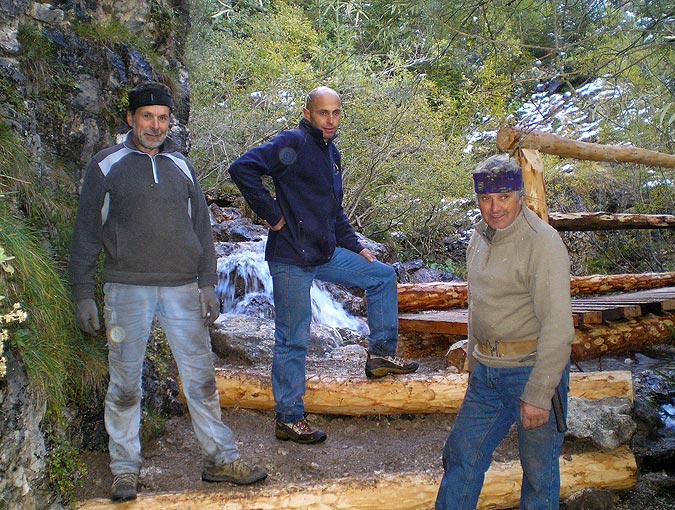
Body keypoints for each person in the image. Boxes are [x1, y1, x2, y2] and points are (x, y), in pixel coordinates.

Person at [69, 82, 267, 501]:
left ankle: (220, 459)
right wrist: (83, 292)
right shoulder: (106, 166)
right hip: (127, 290)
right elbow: (85, 233)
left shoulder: (182, 166)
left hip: (182, 289)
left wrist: (208, 284)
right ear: (131, 119)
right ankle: (125, 470)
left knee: (201, 379)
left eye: (162, 118)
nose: (155, 126)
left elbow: (201, 231)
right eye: (147, 117)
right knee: (125, 384)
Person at [228, 86, 418, 444]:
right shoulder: (294, 142)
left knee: (381, 276)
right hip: (290, 258)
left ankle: (380, 356)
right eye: (322, 113)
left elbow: (334, 210)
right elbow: (242, 169)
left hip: (324, 252)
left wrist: (355, 245)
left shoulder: (332, 153)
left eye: (335, 112)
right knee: (292, 337)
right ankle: (289, 418)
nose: (330, 120)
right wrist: (273, 215)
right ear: (308, 113)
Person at [435, 154, 574, 509]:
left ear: (520, 195)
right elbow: (477, 304)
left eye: (503, 197)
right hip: (486, 374)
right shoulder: (479, 237)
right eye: (486, 198)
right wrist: (473, 361)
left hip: (530, 370)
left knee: (539, 475)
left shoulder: (542, 243)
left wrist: (539, 394)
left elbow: (559, 327)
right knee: (460, 456)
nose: (494, 208)